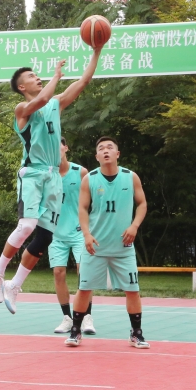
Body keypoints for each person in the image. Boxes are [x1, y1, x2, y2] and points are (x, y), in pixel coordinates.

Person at [0, 45, 103, 314]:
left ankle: (14, 285)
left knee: (45, 236)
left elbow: (84, 81)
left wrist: (96, 51)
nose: (37, 77)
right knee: (27, 225)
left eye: (37, 74)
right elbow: (41, 100)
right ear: (21, 87)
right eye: (31, 76)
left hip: (52, 177)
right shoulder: (22, 109)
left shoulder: (55, 103)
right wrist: (56, 76)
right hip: (32, 173)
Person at [65, 136, 149, 349]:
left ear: (117, 154)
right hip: (96, 246)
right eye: (101, 148)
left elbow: (142, 204)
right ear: (97, 156)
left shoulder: (131, 177)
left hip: (123, 247)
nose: (105, 150)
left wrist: (134, 226)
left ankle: (136, 333)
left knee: (132, 289)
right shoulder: (90, 179)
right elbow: (82, 208)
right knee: (84, 288)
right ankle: (75, 330)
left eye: (110, 147)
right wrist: (86, 234)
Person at [49, 138, 94, 335]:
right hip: (55, 232)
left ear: (66, 148)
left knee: (83, 272)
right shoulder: (46, 175)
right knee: (58, 273)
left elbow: (91, 203)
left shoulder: (81, 172)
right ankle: (67, 318)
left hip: (78, 232)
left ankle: (86, 317)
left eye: (58, 145)